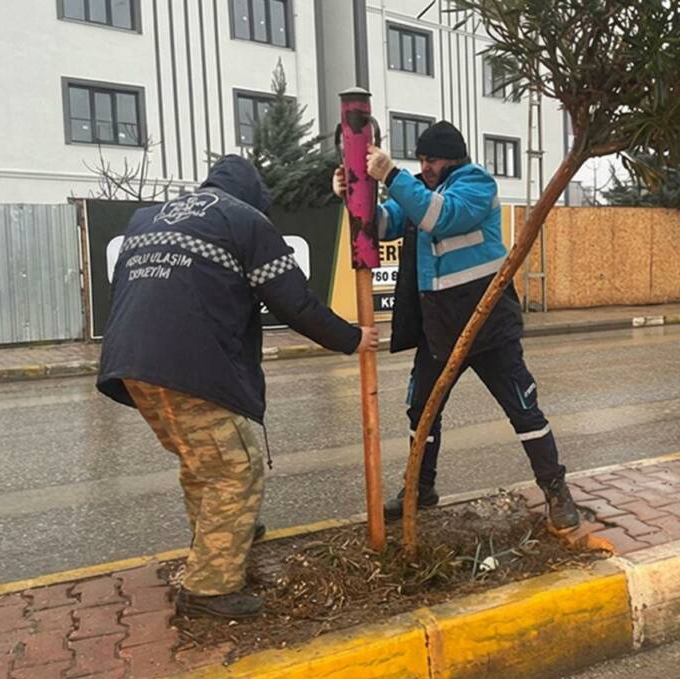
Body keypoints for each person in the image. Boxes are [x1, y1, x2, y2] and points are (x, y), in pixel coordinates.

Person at [98, 155, 377, 620]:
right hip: (188, 362)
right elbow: (295, 302)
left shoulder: (145, 219)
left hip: (130, 362)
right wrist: (351, 338)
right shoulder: (245, 220)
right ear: (255, 197)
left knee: (201, 461)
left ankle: (221, 542)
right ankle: (210, 588)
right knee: (235, 468)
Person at [331, 121, 580, 530]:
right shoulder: (419, 191)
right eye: (422, 160)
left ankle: (556, 490)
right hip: (440, 329)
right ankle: (420, 491)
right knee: (422, 412)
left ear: (454, 158)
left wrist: (390, 175)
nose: (425, 166)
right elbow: (381, 225)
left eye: (432, 160)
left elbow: (441, 218)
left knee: (523, 408)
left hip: (488, 326)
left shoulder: (476, 185)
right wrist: (353, 197)